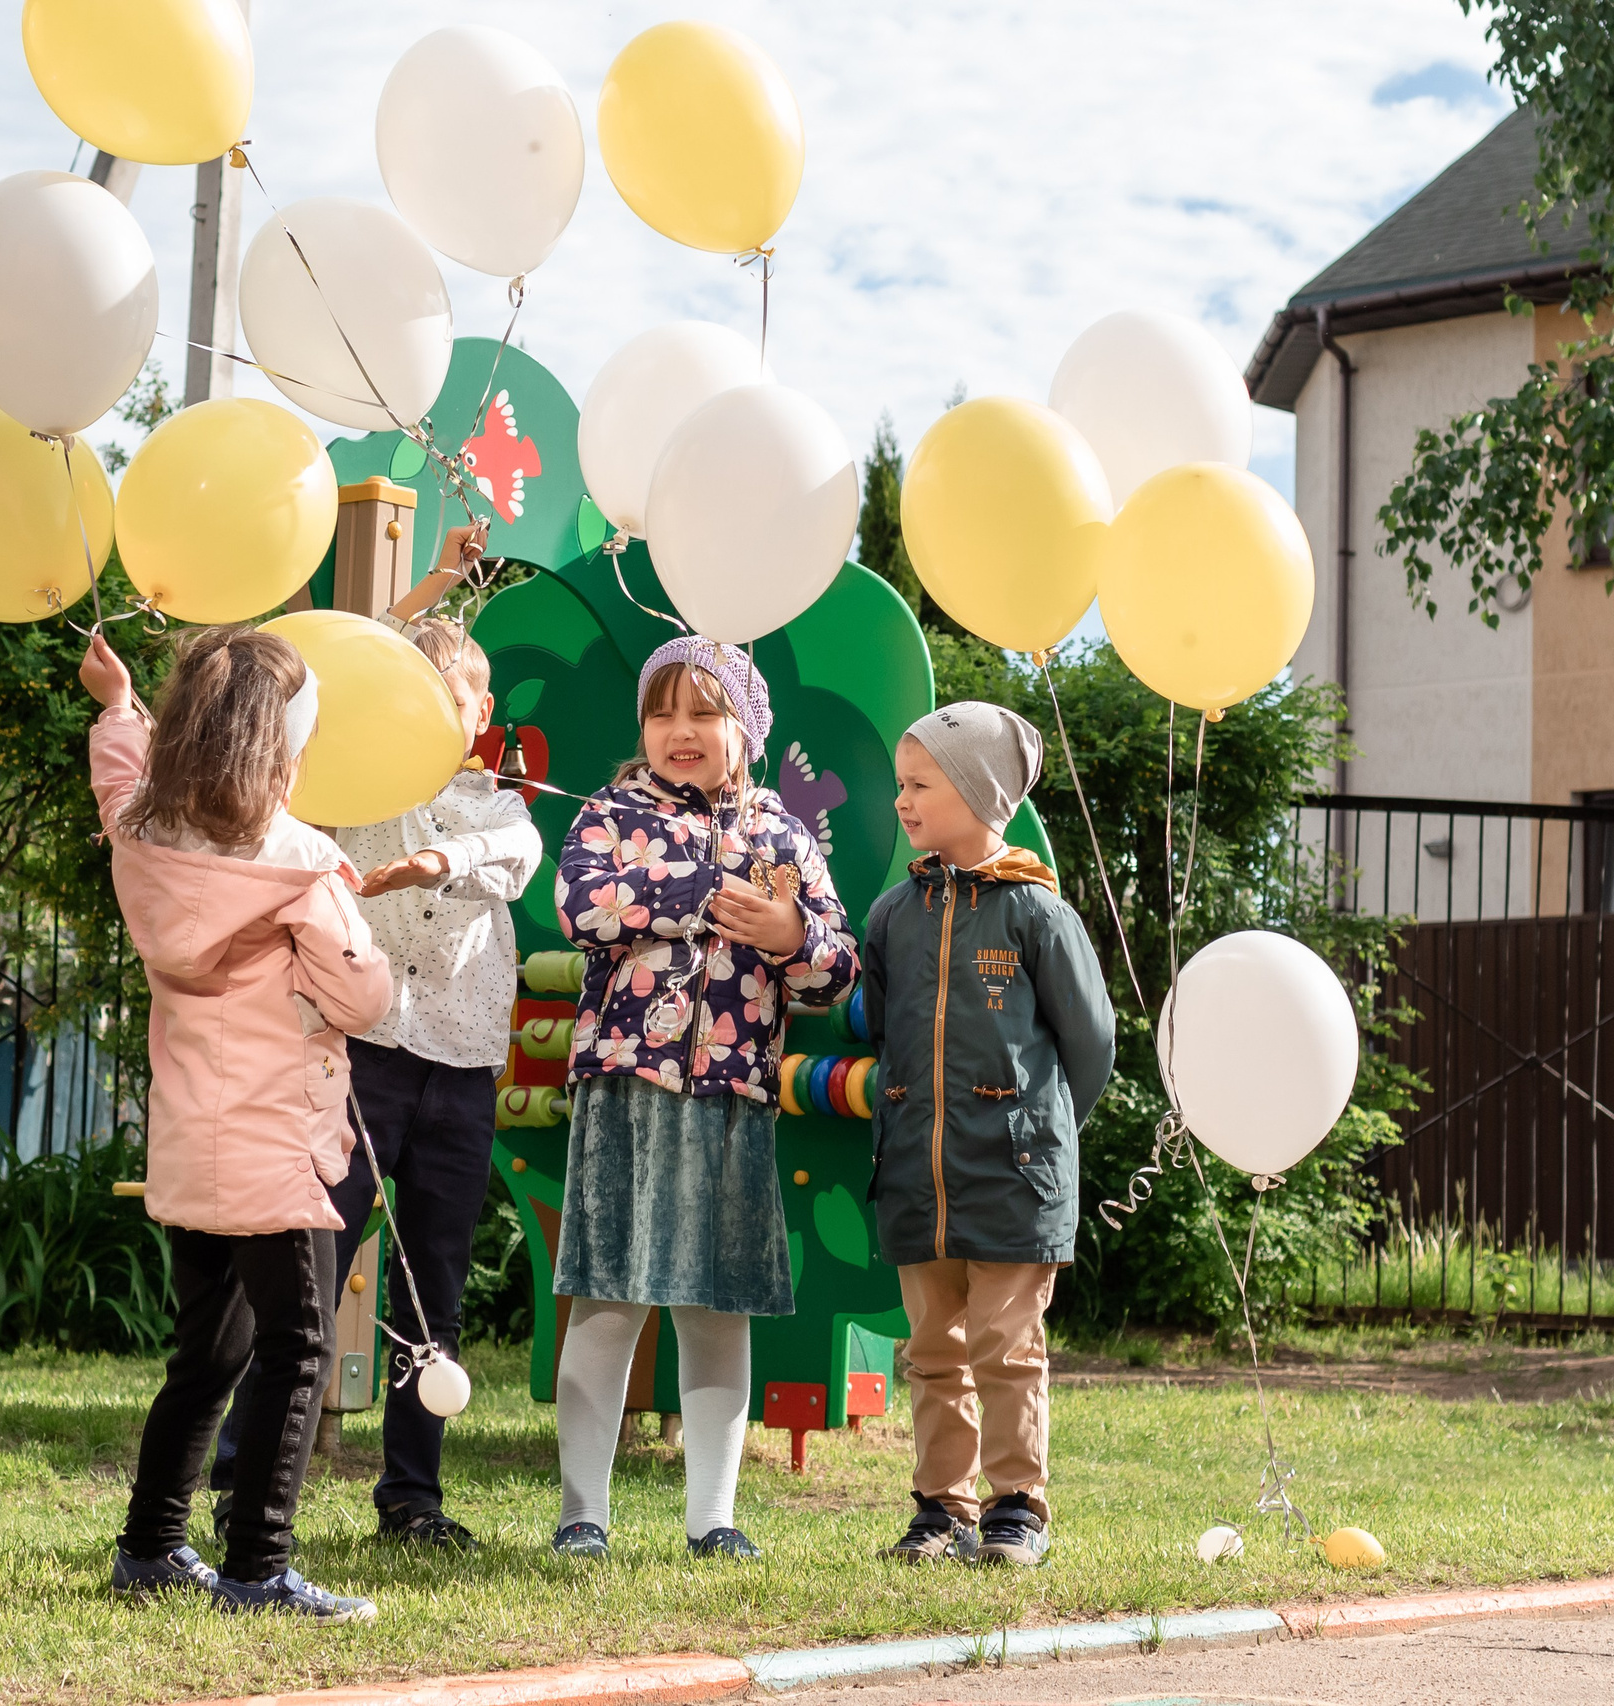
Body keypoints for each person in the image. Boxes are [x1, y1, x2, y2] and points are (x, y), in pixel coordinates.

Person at [84, 625, 393, 1622]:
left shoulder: (141, 831)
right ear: (280, 751)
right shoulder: (300, 863)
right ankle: (257, 1566)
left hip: (189, 1138)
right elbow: (362, 999)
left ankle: (151, 1543)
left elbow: (119, 776)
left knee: (207, 1350)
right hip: (278, 1152)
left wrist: (114, 703)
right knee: (298, 1348)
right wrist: (348, 923)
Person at [547, 636, 858, 1560]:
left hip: (733, 1094)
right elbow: (583, 907)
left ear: (745, 729)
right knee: (607, 1301)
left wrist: (788, 930)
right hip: (625, 1090)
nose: (680, 732)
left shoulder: (783, 835)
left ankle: (713, 1519)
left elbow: (834, 972)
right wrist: (703, 887)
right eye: (662, 712)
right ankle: (581, 1516)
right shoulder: (609, 812)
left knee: (718, 1310)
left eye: (704, 713)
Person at [860, 702, 1116, 1569]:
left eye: (920, 784)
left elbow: (1091, 1044)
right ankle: (942, 1509)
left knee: (1007, 1346)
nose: (903, 800)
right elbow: (883, 1025)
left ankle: (1017, 1508)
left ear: (977, 793)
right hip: (919, 1174)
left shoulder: (1036, 915)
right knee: (934, 1350)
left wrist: (1037, 1135)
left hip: (1013, 1174)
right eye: (901, 784)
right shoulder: (894, 914)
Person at [323, 608, 542, 1547]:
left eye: (442, 701)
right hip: (363, 1053)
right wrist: (436, 587)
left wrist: (439, 859)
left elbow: (513, 859)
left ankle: (412, 1497)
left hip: (458, 1067)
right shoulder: (359, 788)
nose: (420, 718)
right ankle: (251, 1478)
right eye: (404, 699)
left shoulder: (501, 806)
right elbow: (354, 648)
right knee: (313, 1265)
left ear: (479, 711)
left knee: (432, 1291)